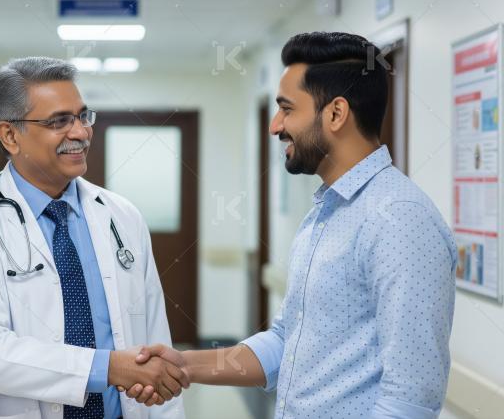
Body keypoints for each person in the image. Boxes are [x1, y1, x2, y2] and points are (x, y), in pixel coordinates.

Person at [123, 32, 458, 418]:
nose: (275, 125)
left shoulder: (399, 219)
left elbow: (410, 400)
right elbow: (286, 342)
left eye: (286, 109)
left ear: (335, 113)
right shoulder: (326, 212)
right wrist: (184, 365)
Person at [0, 56, 187, 419]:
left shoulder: (122, 216)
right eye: (59, 121)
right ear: (9, 135)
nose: (81, 133)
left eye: (83, 116)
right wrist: (109, 368)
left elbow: (155, 338)